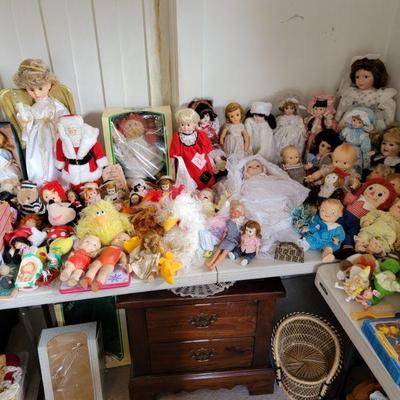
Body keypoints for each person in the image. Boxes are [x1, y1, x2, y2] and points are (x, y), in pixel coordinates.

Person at [13, 59, 69, 185]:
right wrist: (26, 124)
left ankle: (59, 184)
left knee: (53, 158)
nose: (36, 93)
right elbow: (29, 121)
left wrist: (59, 128)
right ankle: (40, 184)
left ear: (49, 84)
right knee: (36, 160)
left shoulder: (54, 104)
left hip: (51, 136)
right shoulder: (32, 108)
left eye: (40, 88)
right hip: (36, 138)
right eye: (31, 89)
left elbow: (64, 117)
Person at [336, 57, 396, 132]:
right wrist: (336, 120)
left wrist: (389, 126)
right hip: (354, 119)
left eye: (366, 77)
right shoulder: (353, 92)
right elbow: (342, 107)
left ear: (376, 77)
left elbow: (389, 111)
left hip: (371, 120)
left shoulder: (380, 94)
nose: (360, 80)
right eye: (357, 77)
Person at [170, 108, 215, 190]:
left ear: (194, 123)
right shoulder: (177, 136)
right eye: (182, 124)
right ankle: (191, 190)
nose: (185, 127)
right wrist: (172, 165)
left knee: (202, 176)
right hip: (186, 163)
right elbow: (174, 152)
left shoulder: (200, 134)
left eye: (188, 125)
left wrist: (203, 155)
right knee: (188, 178)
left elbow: (206, 146)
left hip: (199, 159)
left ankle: (205, 190)